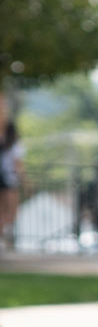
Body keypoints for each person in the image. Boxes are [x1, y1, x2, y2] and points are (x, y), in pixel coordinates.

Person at [0, 92, 21, 252]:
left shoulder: (11, 132)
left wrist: (20, 174)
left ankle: (5, 235)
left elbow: (17, 158)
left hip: (7, 177)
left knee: (11, 209)